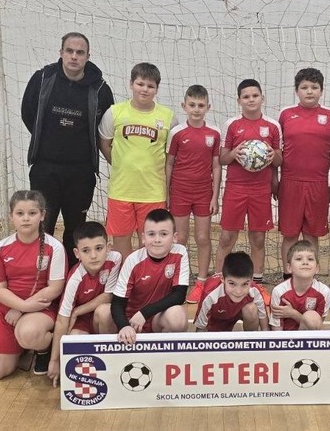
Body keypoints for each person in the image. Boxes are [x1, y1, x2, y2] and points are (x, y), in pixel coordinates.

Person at [21, 32, 114, 270]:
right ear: (61, 53)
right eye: (69, 51)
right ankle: (41, 275)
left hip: (81, 172)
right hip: (45, 168)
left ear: (88, 56)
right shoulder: (42, 79)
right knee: (43, 225)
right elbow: (28, 114)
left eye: (80, 52)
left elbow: (106, 127)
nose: (74, 56)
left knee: (75, 228)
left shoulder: (100, 89)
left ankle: (72, 277)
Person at [0, 190, 66, 380]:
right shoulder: (0, 248)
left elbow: (55, 288)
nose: (26, 218)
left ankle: (44, 347)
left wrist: (22, 309)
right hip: (9, 313)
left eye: (32, 213)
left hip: (42, 309)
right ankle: (23, 346)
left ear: (42, 215)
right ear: (11, 216)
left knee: (28, 333)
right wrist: (20, 306)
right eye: (20, 213)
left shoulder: (54, 247)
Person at [99, 62, 177, 260]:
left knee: (152, 242)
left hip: (153, 192)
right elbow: (105, 144)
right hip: (121, 190)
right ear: (131, 84)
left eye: (150, 86)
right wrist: (121, 165)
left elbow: (171, 156)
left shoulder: (168, 117)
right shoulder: (114, 112)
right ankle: (126, 277)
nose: (145, 89)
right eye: (140, 84)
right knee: (121, 242)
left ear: (157, 89)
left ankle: (147, 277)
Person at [215, 79, 282, 298]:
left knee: (258, 239)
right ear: (239, 101)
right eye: (246, 97)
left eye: (255, 96)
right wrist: (234, 153)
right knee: (227, 237)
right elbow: (222, 158)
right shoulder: (232, 125)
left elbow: (279, 160)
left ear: (263, 98)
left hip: (260, 190)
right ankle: (219, 282)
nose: (251, 100)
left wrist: (272, 155)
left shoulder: (273, 126)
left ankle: (257, 284)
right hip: (236, 188)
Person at [275, 68, 330, 280]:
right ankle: (288, 278)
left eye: (314, 87)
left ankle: (309, 278)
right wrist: (274, 181)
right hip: (290, 183)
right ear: (296, 91)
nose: (309, 91)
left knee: (312, 235)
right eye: (304, 87)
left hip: (318, 184)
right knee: (290, 235)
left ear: (321, 90)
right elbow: (275, 151)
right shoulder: (285, 115)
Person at [94, 209, 189, 344]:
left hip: (156, 318)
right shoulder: (133, 260)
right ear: (143, 238)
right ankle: (113, 352)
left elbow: (179, 295)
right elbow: (117, 302)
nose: (157, 240)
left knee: (177, 316)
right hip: (131, 320)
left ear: (174, 237)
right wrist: (124, 326)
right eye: (151, 234)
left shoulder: (180, 252)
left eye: (163, 234)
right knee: (103, 312)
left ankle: (162, 354)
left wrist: (144, 313)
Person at [47, 221, 122, 386]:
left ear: (108, 247)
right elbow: (62, 320)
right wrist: (55, 360)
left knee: (106, 311)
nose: (93, 256)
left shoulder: (115, 259)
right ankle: (92, 374)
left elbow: (109, 295)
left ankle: (112, 364)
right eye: (86, 250)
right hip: (81, 323)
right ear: (77, 253)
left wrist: (77, 311)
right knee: (74, 339)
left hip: (99, 317)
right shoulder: (75, 278)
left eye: (99, 248)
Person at [166, 84, 222, 304]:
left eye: (200, 105)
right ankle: (179, 281)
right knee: (180, 238)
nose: (196, 109)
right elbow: (169, 163)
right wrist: (167, 193)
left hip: (203, 193)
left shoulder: (214, 133)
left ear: (208, 107)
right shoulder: (177, 132)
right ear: (184, 106)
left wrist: (214, 197)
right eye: (192, 105)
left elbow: (216, 166)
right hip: (180, 192)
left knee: (202, 238)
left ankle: (201, 282)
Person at [194, 252, 269, 332]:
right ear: (222, 279)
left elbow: (265, 327)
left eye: (244, 284)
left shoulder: (254, 290)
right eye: (232, 284)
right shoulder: (210, 293)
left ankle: (250, 338)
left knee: (251, 309)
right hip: (215, 322)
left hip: (238, 313)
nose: (238, 291)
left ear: (251, 280)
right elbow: (200, 329)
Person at [269, 240, 330, 331]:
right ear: (289, 267)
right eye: (299, 259)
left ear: (317, 268)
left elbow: (315, 325)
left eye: (310, 259)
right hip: (285, 337)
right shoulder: (279, 291)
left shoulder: (324, 291)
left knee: (312, 317)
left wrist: (293, 314)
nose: (305, 262)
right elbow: (276, 327)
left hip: (309, 337)